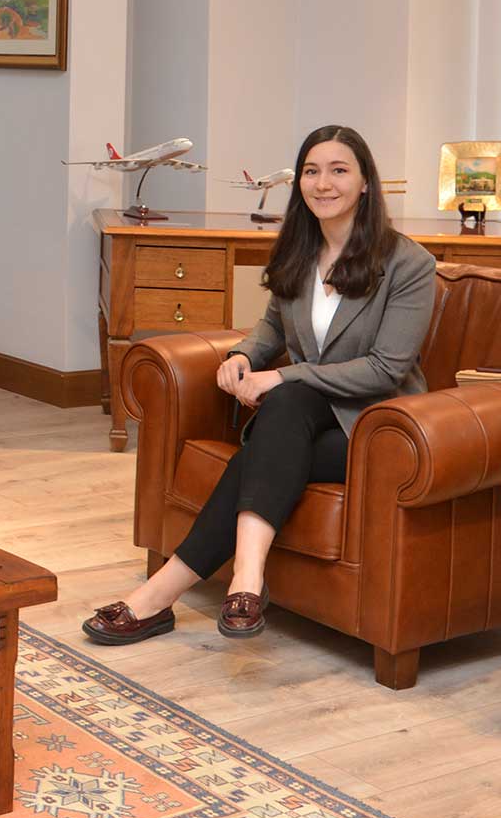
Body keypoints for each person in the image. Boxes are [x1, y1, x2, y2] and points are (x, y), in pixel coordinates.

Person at [83, 124, 433, 646]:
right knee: (285, 414)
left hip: (375, 426)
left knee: (272, 428)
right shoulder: (298, 251)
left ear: (365, 182)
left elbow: (385, 368)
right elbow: (273, 326)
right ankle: (245, 584)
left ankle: (161, 596)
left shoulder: (408, 264)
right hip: (306, 416)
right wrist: (243, 356)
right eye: (311, 171)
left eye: (339, 170)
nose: (323, 183)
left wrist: (283, 374)